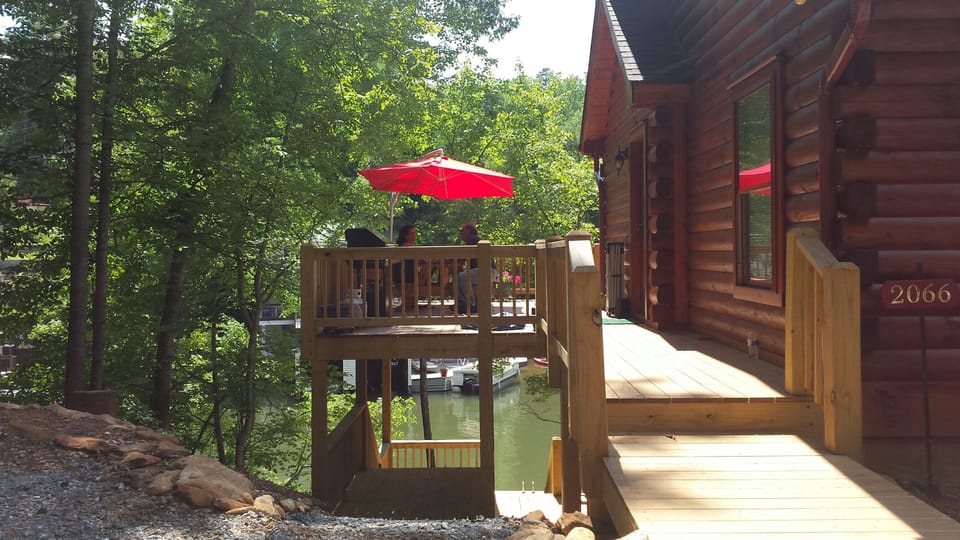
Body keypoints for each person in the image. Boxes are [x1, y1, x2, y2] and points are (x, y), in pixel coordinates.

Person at [456, 221, 495, 315]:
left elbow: (461, 257)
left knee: (462, 276)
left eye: (462, 231)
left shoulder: (472, 240)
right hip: (486, 271)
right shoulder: (474, 240)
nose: (460, 233)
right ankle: (464, 302)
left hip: (486, 271)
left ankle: (471, 304)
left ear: (469, 231)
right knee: (462, 276)